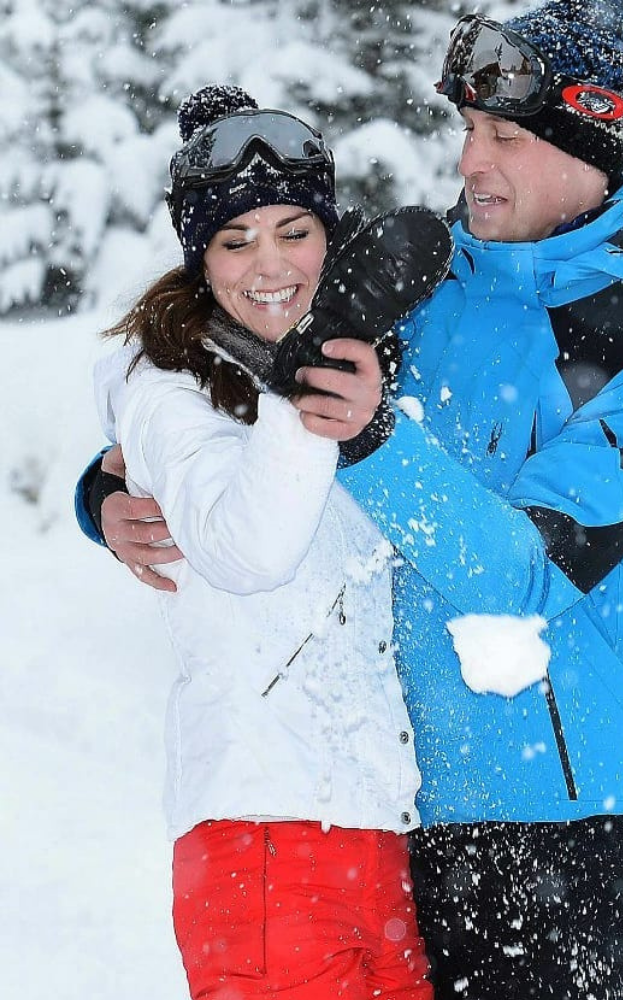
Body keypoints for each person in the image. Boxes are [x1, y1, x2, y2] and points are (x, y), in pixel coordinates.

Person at [78, 3, 623, 998]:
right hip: (394, 810)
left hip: (551, 828)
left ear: (591, 140)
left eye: (504, 135)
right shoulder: (422, 278)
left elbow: (520, 573)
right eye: (466, 129)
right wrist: (112, 485)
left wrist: (369, 437)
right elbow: (237, 359)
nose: (470, 161)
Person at [85, 83, 445, 1000]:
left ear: (331, 233)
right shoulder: (169, 395)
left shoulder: (366, 362)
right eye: (233, 242)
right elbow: (249, 551)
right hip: (261, 840)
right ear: (198, 263)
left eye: (294, 231)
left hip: (376, 829)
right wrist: (313, 368)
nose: (268, 265)